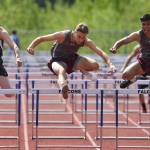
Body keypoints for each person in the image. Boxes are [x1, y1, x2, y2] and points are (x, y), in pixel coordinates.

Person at [27, 23, 116, 99]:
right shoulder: (63, 35)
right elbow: (41, 38)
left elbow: (100, 52)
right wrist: (31, 47)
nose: (81, 40)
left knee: (95, 65)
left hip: (72, 59)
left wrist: (110, 64)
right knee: (61, 72)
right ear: (74, 32)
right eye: (79, 37)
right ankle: (64, 88)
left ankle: (82, 70)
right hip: (57, 60)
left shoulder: (85, 41)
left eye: (83, 37)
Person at [110, 14, 150, 89]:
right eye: (143, 24)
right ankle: (137, 78)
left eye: (148, 24)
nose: (146, 27)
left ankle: (141, 76)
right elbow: (123, 41)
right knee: (125, 75)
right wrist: (115, 47)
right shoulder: (138, 35)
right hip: (144, 62)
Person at [121, 44, 149, 113]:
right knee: (140, 90)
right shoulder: (138, 47)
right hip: (141, 70)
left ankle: (133, 79)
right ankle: (144, 107)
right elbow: (129, 57)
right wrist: (124, 67)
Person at [0, 26, 22, 97]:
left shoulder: (2, 32)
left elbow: (14, 46)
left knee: (8, 93)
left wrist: (18, 57)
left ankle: (21, 91)